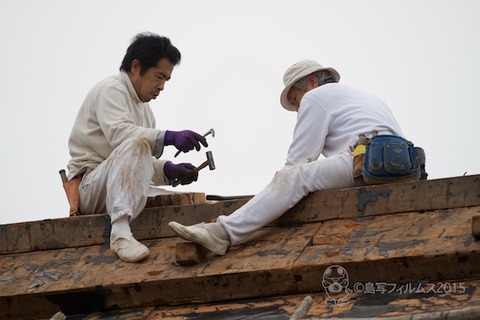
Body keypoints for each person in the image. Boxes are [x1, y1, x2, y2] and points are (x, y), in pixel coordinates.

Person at [168, 59, 414, 256]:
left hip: (366, 162)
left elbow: (299, 161)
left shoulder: (316, 97)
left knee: (291, 177)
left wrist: (275, 193)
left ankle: (223, 233)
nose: (298, 108)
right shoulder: (363, 96)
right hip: (402, 165)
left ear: (311, 82)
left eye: (296, 100)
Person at [67, 32, 207, 263]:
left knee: (179, 200)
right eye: (158, 76)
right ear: (135, 67)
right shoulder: (111, 89)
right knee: (136, 142)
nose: (161, 86)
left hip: (116, 186)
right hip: (91, 188)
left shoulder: (145, 112)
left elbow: (134, 165)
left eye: (166, 80)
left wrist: (168, 170)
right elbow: (123, 138)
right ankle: (120, 233)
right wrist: (168, 136)